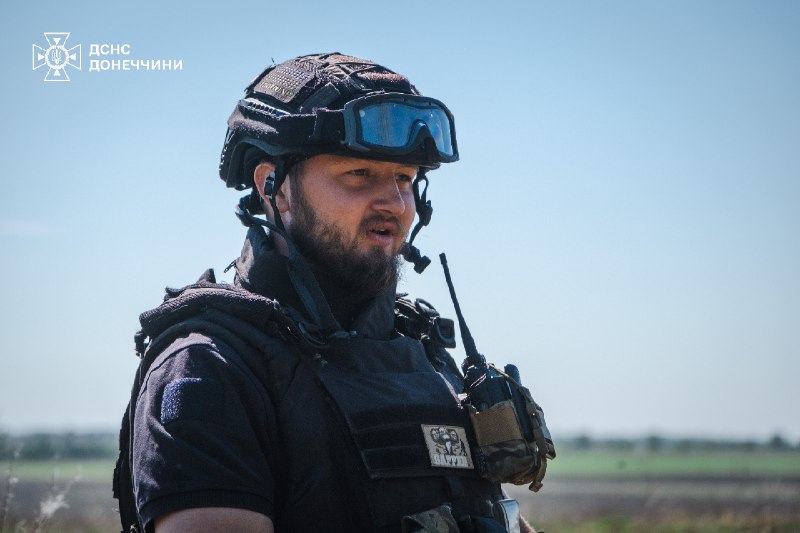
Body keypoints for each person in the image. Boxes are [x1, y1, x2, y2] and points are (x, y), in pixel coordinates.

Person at [113, 52, 554, 533]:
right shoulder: (211, 366)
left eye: (405, 178)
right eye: (359, 174)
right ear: (275, 188)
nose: (395, 203)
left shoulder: (424, 352)